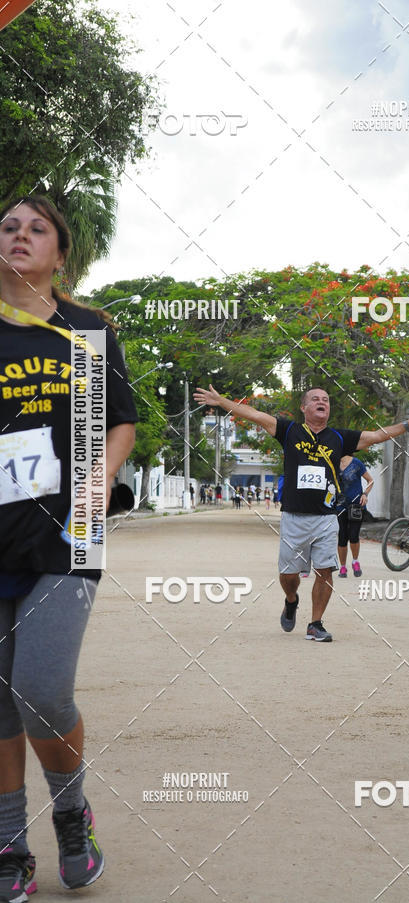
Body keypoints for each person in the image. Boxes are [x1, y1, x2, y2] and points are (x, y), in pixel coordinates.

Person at [0, 196, 137, 897]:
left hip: (68, 531)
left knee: (41, 689)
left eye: (37, 228)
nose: (20, 236)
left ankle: (70, 813)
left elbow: (120, 422)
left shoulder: (86, 331)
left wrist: (100, 476)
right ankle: (9, 843)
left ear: (60, 253)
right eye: (8, 227)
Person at [193, 384, 409, 642]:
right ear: (303, 407)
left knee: (325, 570)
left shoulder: (340, 438)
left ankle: (315, 624)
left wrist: (407, 425)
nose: (322, 402)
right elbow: (253, 414)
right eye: (315, 399)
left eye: (326, 399)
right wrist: (221, 401)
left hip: (326, 517)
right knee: (288, 575)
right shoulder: (289, 430)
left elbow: (376, 435)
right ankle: (291, 600)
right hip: (294, 517)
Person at [336, 455, 374, 577]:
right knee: (342, 536)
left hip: (356, 505)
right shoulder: (333, 462)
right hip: (340, 506)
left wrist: (365, 494)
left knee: (353, 535)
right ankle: (343, 567)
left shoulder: (356, 463)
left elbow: (370, 481)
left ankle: (355, 561)